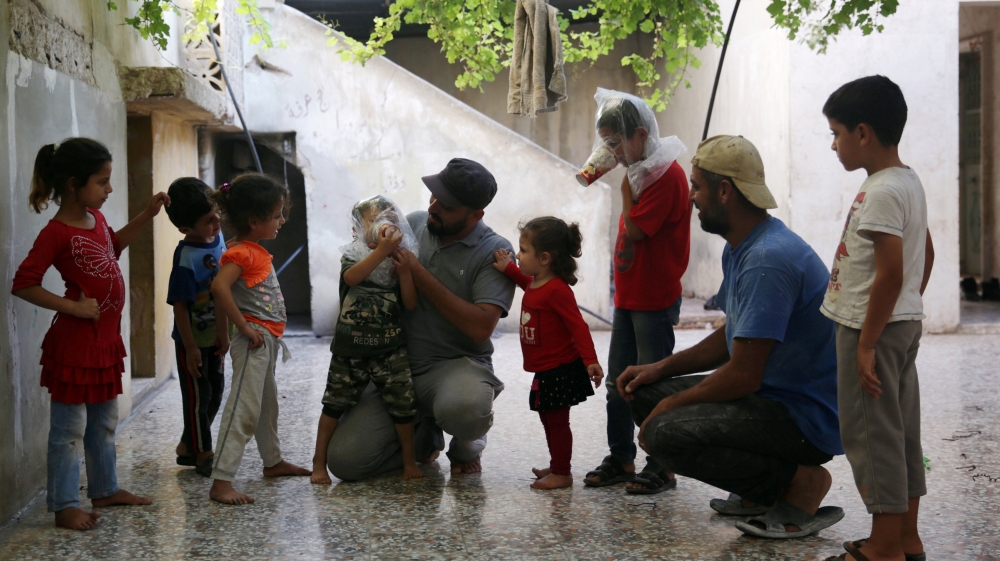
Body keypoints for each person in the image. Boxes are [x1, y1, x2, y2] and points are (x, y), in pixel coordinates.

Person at [617, 135, 845, 539]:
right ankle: (761, 491)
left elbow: (743, 375)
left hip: (804, 418)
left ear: (725, 191)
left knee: (664, 430)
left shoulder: (766, 259)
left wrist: (672, 402)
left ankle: (800, 484)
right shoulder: (743, 246)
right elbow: (733, 336)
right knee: (642, 391)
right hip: (771, 398)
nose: (691, 197)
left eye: (697, 186)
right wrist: (659, 370)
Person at [326, 158, 515, 480]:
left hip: (453, 364)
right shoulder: (411, 224)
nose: (434, 207)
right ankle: (424, 435)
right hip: (393, 365)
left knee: (465, 410)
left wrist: (416, 271)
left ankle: (467, 443)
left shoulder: (494, 251)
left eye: (448, 206)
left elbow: (481, 327)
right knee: (345, 463)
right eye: (434, 196)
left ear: (476, 215)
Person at [11, 138, 164, 530]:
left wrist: (146, 215)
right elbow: (24, 283)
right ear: (75, 184)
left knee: (103, 423)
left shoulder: (96, 221)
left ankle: (105, 488)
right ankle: (64, 504)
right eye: (103, 181)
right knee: (67, 430)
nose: (109, 189)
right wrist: (75, 307)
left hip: (104, 343)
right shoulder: (56, 232)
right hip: (75, 346)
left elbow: (111, 248)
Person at [820, 76, 933, 561]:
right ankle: (906, 537)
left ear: (863, 133)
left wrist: (867, 341)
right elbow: (923, 254)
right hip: (900, 325)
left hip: (871, 330)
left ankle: (884, 546)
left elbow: (889, 271)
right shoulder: (907, 181)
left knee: (871, 433)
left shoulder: (883, 191)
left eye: (837, 132)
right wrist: (907, 301)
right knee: (900, 428)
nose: (834, 144)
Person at [581, 89, 692, 494]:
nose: (610, 151)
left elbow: (640, 229)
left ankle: (661, 465)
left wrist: (624, 193)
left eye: (615, 142)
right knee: (617, 383)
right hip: (628, 297)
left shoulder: (667, 176)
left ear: (641, 134)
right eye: (605, 143)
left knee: (651, 383)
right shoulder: (640, 172)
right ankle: (621, 456)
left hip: (654, 300)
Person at [207, 173, 310, 505]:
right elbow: (219, 290)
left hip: (264, 343)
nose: (282, 220)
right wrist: (243, 328)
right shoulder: (241, 254)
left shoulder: (253, 250)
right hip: (254, 342)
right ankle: (221, 480)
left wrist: (229, 332)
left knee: (266, 406)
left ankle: (273, 461)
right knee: (244, 409)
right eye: (277, 215)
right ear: (254, 221)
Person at [311, 196, 421, 484]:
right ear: (357, 229)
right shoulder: (353, 254)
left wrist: (405, 271)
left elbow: (410, 304)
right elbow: (352, 278)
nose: (385, 224)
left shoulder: (398, 260)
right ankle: (318, 463)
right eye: (375, 219)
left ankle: (409, 460)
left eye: (391, 220)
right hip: (351, 349)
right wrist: (380, 251)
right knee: (334, 404)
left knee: (403, 406)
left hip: (390, 349)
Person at [494, 217, 605, 490]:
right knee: (548, 417)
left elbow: (578, 326)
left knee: (557, 421)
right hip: (545, 367)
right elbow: (525, 283)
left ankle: (562, 473)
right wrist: (509, 269)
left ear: (544, 258)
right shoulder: (537, 282)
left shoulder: (557, 290)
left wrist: (590, 360)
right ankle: (557, 464)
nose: (517, 255)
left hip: (560, 367)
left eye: (522, 251)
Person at [164, 177, 230, 477]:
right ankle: (204, 453)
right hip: (192, 342)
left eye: (217, 216)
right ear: (185, 229)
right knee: (197, 399)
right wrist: (190, 348)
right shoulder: (186, 258)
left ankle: (187, 445)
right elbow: (180, 306)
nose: (217, 225)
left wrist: (224, 333)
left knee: (216, 392)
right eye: (208, 221)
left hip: (216, 336)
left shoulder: (219, 241)